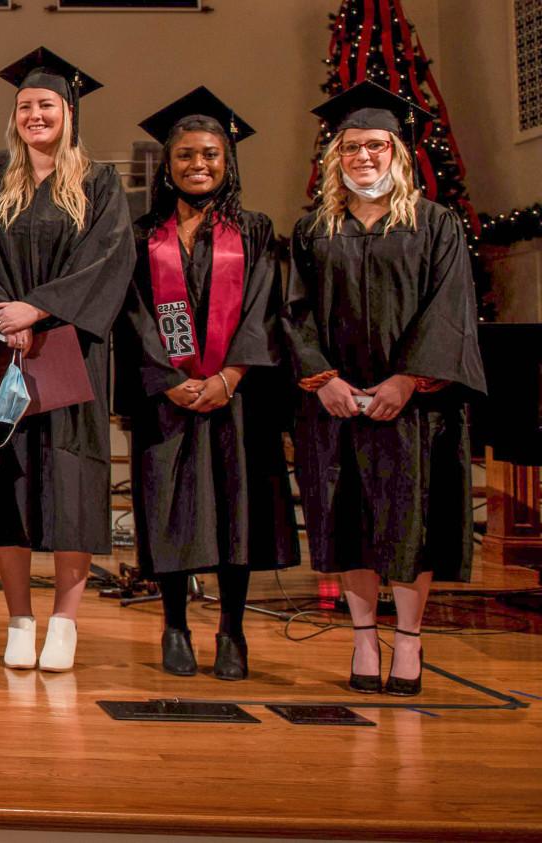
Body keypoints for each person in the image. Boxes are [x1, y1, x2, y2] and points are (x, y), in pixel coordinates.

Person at [284, 82, 485, 697]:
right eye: (350, 147)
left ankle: (410, 640)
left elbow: (450, 308)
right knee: (348, 521)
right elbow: (294, 314)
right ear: (334, 157)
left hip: (413, 407)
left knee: (408, 523)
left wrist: (407, 379)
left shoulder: (435, 225)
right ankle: (365, 637)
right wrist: (325, 381)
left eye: (376, 145)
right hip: (338, 405)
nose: (363, 157)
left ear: (398, 152)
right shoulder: (315, 230)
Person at [116, 88, 299, 680]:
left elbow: (265, 310)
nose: (199, 165)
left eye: (211, 155)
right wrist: (166, 378)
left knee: (234, 512)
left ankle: (232, 632)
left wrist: (232, 374)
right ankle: (173, 625)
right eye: (186, 155)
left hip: (236, 401)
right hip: (166, 399)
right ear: (167, 166)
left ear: (228, 162)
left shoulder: (255, 229)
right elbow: (134, 313)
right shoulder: (145, 235)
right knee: (170, 510)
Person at [0, 49, 134, 671]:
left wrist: (35, 310)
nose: (34, 115)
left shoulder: (98, 183)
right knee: (7, 479)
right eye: (25, 107)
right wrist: (1, 313)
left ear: (68, 114)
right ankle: (19, 617)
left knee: (73, 483)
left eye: (46, 105)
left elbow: (109, 260)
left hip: (72, 352)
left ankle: (64, 623)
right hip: (4, 356)